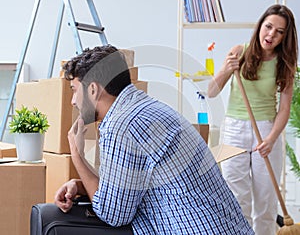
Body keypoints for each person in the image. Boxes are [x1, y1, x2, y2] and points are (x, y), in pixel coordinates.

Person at [54, 44, 254, 234]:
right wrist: (80, 185)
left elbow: (113, 214)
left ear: (93, 90)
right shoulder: (143, 107)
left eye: (74, 89)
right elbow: (123, 192)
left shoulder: (121, 125)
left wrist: (77, 156)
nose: (73, 101)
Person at [207, 4, 298, 235]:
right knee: (237, 199)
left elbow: (284, 108)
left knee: (266, 202)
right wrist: (227, 69)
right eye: (268, 27)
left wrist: (271, 138)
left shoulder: (284, 63)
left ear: (285, 37)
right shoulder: (240, 51)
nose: (271, 35)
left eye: (279, 32)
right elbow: (211, 91)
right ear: (260, 26)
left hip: (267, 131)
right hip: (234, 131)